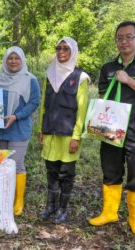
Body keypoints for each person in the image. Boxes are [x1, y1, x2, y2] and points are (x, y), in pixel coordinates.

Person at [88, 21, 135, 237]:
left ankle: (134, 220)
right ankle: (109, 212)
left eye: (128, 37)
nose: (123, 41)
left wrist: (129, 80)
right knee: (110, 172)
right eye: (119, 38)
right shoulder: (107, 68)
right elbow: (105, 98)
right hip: (111, 129)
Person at [38, 37, 90, 224]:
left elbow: (82, 111)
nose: (61, 52)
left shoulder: (80, 78)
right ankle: (50, 206)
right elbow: (44, 104)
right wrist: (40, 129)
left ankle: (63, 209)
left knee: (66, 174)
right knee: (51, 171)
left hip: (68, 135)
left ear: (72, 52)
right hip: (50, 132)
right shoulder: (49, 74)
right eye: (58, 48)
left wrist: (77, 136)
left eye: (65, 49)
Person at [0, 46, 41, 216]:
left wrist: (17, 116)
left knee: (16, 163)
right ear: (5, 60)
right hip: (1, 128)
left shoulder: (29, 79)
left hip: (18, 127)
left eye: (17, 58)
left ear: (22, 60)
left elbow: (34, 102)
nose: (13, 61)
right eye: (10, 58)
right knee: (2, 163)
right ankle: (5, 197)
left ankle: (19, 201)